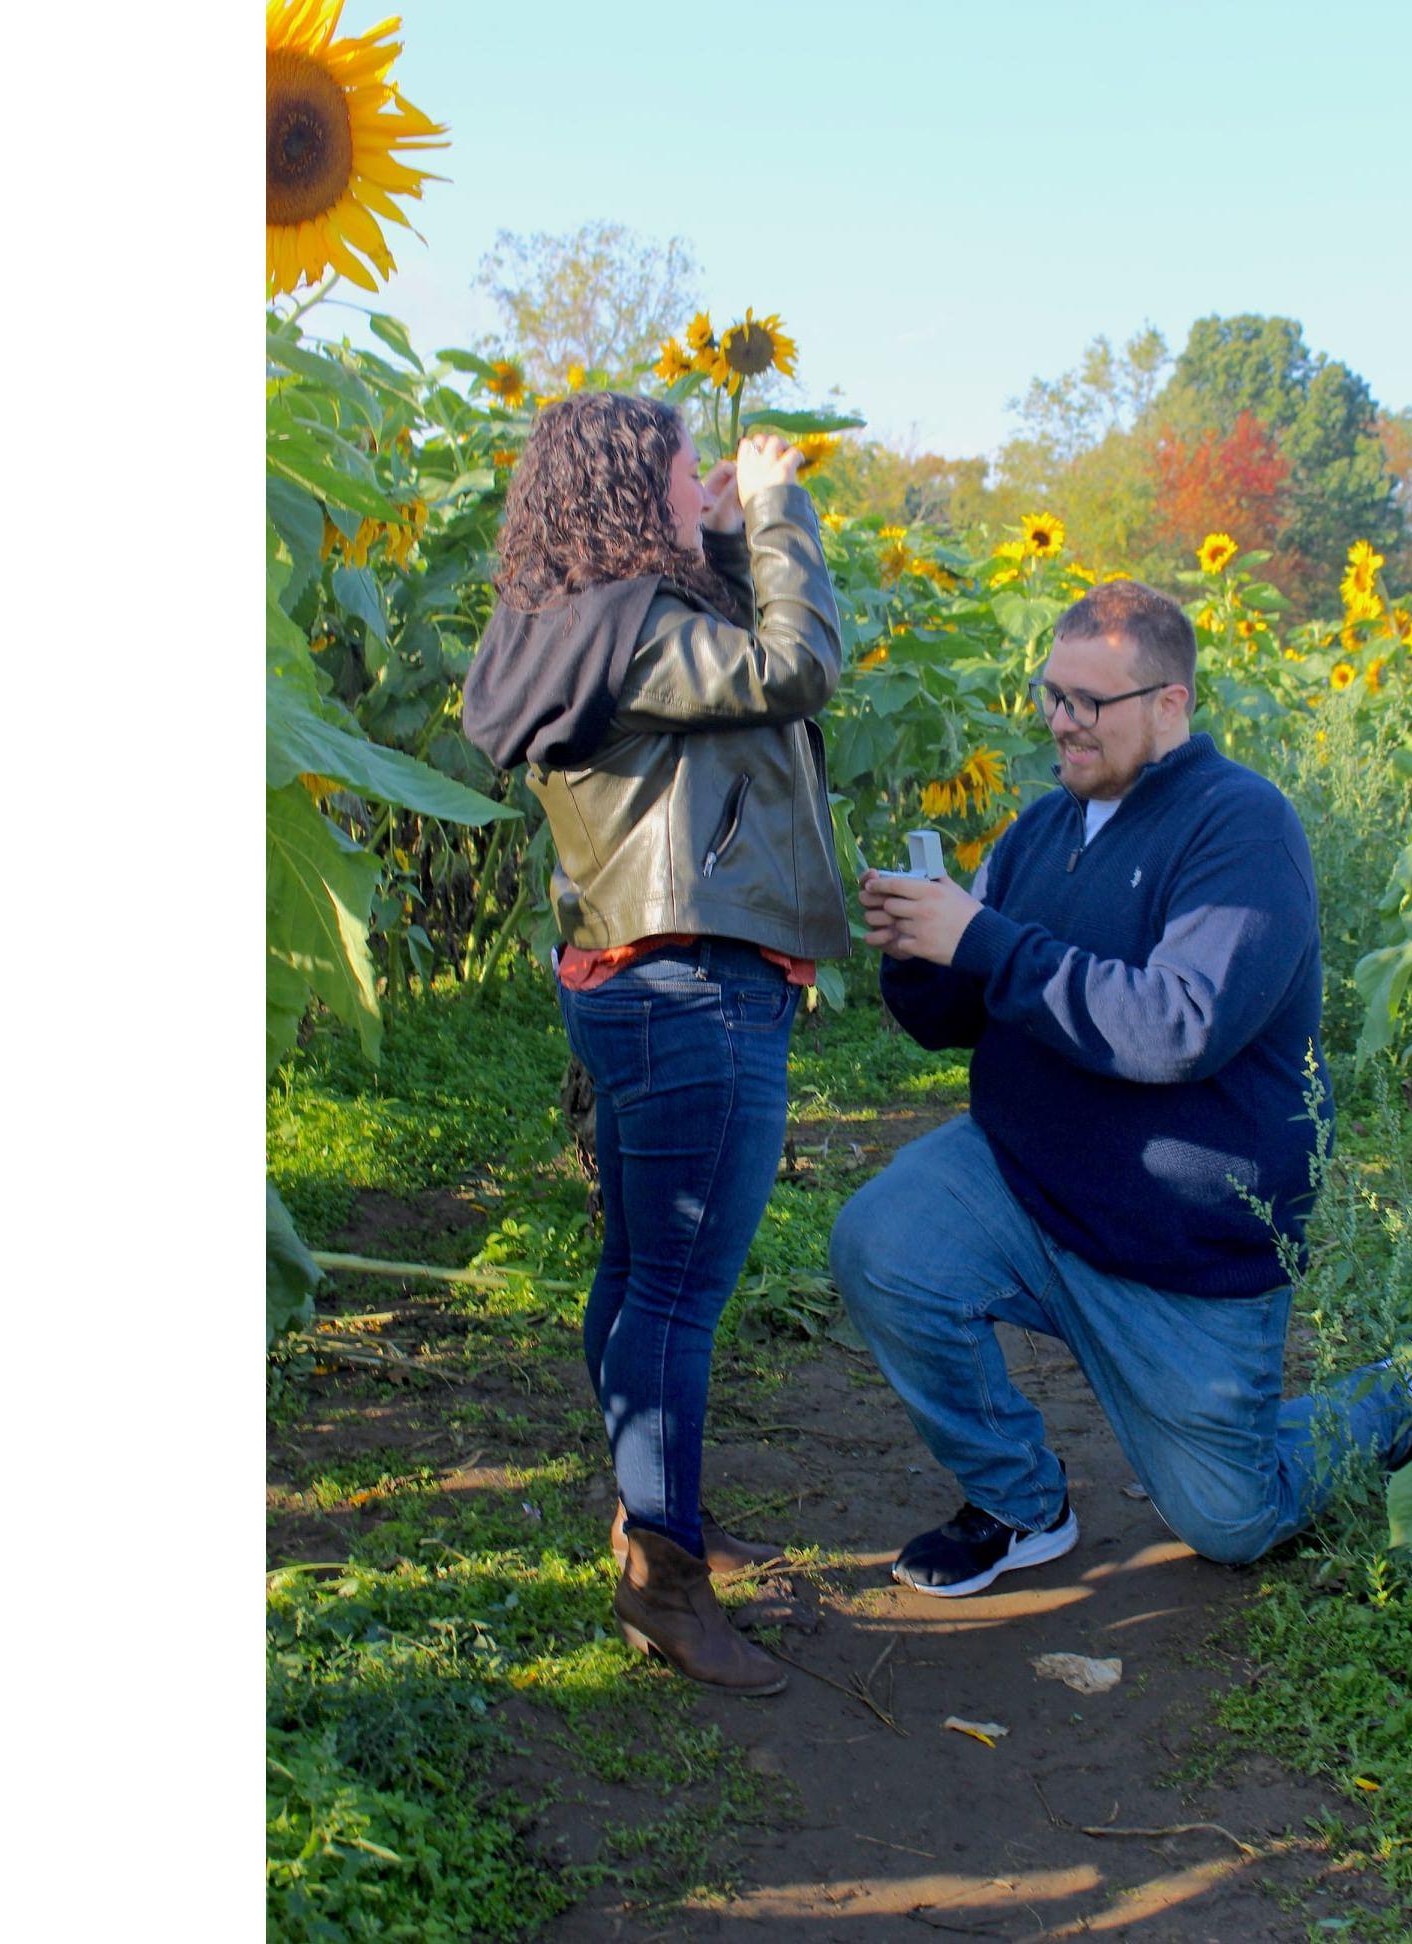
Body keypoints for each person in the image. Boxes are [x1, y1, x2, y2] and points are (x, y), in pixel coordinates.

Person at [830, 580, 1412, 1596]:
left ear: (1171, 704)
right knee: (883, 1242)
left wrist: (983, 938)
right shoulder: (1044, 827)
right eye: (1052, 694)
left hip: (1180, 1244)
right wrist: (922, 950)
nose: (1062, 720)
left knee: (1231, 1519)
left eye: (1092, 702)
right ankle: (1017, 1504)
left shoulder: (1242, 829)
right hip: (1023, 1181)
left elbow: (1176, 1027)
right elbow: (953, 1018)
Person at [464, 394, 848, 1691]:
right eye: (692, 478)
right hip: (692, 987)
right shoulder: (637, 637)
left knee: (640, 1273)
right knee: (676, 1295)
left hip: (638, 976)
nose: (708, 492)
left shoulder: (592, 628)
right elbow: (795, 669)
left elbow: (740, 665)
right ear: (637, 493)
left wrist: (733, 543)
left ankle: (654, 1517)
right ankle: (664, 1591)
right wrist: (785, 512)